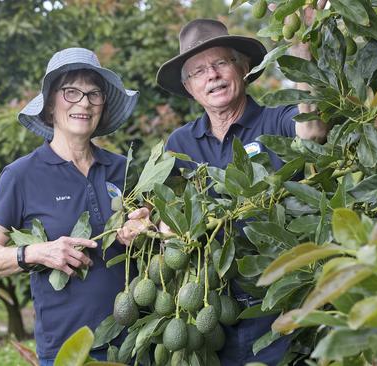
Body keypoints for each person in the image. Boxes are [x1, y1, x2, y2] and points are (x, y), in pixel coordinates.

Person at [118, 19, 326, 365]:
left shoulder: (277, 121)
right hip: (213, 317)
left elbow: (314, 129)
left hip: (283, 307)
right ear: (189, 88)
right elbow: (166, 214)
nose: (211, 75)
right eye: (198, 71)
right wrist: (143, 223)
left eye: (220, 63)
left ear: (243, 68)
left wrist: (301, 48)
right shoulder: (180, 144)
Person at [0, 47, 138, 365]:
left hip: (132, 345)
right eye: (71, 92)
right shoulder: (22, 175)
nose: (84, 103)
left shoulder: (124, 168)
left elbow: (147, 233)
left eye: (93, 94)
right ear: (49, 106)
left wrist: (143, 228)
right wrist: (37, 253)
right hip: (67, 352)